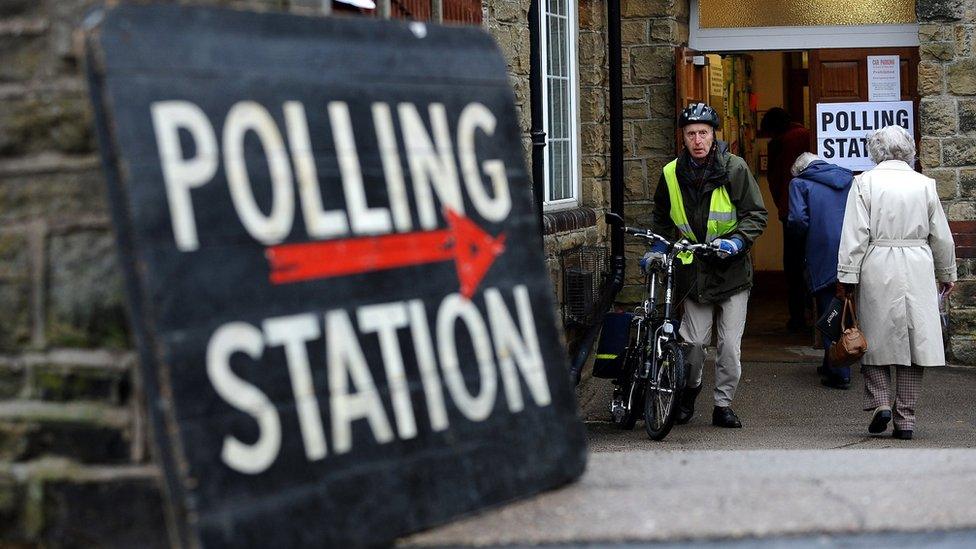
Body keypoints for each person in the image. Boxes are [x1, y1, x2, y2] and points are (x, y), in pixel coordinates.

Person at [650, 102, 768, 428]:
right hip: (695, 271)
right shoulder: (671, 173)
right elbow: (661, 217)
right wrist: (658, 246)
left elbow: (756, 214)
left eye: (703, 133)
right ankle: (688, 392)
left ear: (714, 135)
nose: (698, 140)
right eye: (691, 134)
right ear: (683, 138)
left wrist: (737, 241)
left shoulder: (734, 168)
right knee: (694, 344)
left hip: (731, 269)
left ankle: (723, 404)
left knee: (729, 346)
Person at [836, 125, 956, 440]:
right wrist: (947, 273)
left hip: (877, 263)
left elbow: (855, 234)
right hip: (918, 262)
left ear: (876, 151)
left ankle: (879, 402)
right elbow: (941, 236)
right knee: (915, 344)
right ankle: (906, 419)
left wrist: (847, 276)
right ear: (909, 150)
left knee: (871, 338)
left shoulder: (864, 183)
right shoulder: (925, 184)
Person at [786, 153, 854, 389]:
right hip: (852, 248)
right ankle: (832, 362)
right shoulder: (848, 179)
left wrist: (799, 241)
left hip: (821, 250)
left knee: (829, 311)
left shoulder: (799, 183)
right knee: (848, 307)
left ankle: (840, 370)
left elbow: (796, 220)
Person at [761, 108, 812, 332]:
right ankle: (819, 316)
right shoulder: (807, 134)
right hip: (814, 210)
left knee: (793, 266)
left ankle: (798, 318)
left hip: (790, 211)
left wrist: (781, 206)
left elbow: (776, 179)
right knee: (814, 264)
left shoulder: (780, 143)